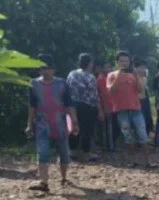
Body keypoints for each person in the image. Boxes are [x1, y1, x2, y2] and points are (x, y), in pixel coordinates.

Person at [25, 54, 79, 192]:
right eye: (42, 68)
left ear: (53, 70)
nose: (45, 71)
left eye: (48, 68)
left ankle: (64, 178)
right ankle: (44, 182)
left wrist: (74, 121)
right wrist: (29, 125)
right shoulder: (33, 84)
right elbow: (32, 106)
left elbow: (68, 104)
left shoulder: (62, 84)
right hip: (42, 123)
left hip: (60, 122)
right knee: (42, 151)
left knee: (64, 153)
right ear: (39, 70)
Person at [107, 50, 151, 167]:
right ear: (117, 62)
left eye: (126, 61)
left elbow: (141, 90)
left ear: (130, 62)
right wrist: (118, 76)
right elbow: (110, 91)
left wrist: (136, 75)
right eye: (122, 61)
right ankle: (133, 161)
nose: (124, 63)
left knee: (142, 135)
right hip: (122, 111)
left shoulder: (133, 75)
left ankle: (148, 161)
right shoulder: (111, 75)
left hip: (136, 109)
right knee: (128, 137)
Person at [67, 53, 103, 162]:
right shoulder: (90, 76)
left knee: (74, 127)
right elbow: (94, 95)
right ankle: (86, 153)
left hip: (72, 105)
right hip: (87, 106)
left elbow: (67, 88)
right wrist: (100, 110)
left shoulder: (72, 73)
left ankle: (72, 152)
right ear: (89, 63)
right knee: (87, 130)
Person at [97, 60, 119, 151]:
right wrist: (105, 108)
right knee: (109, 128)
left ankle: (112, 145)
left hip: (114, 106)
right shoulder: (101, 79)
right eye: (106, 67)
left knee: (115, 127)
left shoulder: (111, 77)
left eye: (110, 67)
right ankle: (110, 147)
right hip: (107, 107)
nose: (108, 69)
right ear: (102, 68)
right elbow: (102, 95)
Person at [134, 59, 154, 138]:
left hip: (145, 100)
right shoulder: (134, 78)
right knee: (141, 121)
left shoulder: (144, 77)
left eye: (144, 68)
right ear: (135, 68)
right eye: (140, 67)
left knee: (148, 119)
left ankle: (146, 137)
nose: (143, 70)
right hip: (138, 102)